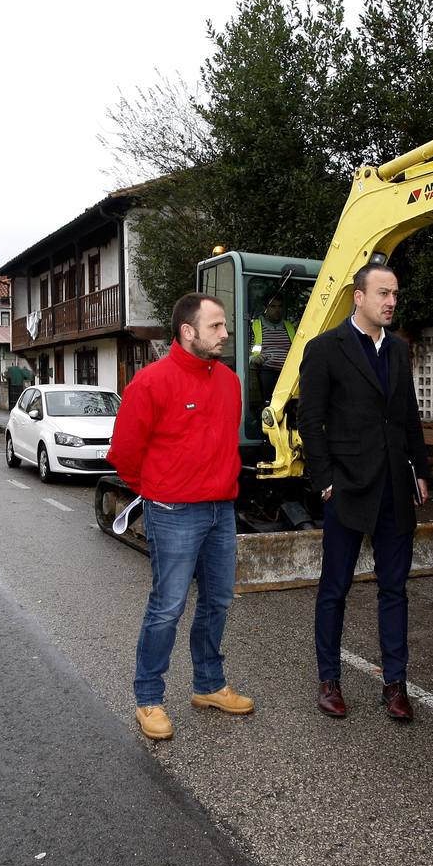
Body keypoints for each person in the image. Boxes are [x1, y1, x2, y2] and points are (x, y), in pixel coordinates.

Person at [108, 292, 253, 741]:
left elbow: (227, 440)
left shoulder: (229, 381)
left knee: (218, 602)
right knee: (167, 607)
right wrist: (159, 492)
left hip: (221, 510)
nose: (225, 333)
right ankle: (148, 699)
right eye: (216, 326)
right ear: (187, 331)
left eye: (224, 325)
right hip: (172, 512)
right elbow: (125, 455)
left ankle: (208, 685)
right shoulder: (151, 383)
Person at [299, 262, 430, 721]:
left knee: (394, 589)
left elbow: (408, 414)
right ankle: (329, 679)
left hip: (395, 485)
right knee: (334, 588)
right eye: (382, 293)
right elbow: (309, 420)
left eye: (395, 293)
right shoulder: (325, 349)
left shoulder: (397, 349)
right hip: (348, 487)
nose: (391, 301)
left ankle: (395, 685)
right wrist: (325, 481)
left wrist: (420, 470)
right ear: (358, 297)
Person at [249, 294, 296, 405]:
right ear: (266, 309)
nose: (277, 310)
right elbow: (245, 351)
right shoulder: (255, 326)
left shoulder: (289, 326)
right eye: (273, 306)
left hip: (289, 371)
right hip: (267, 368)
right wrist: (253, 358)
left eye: (280, 306)